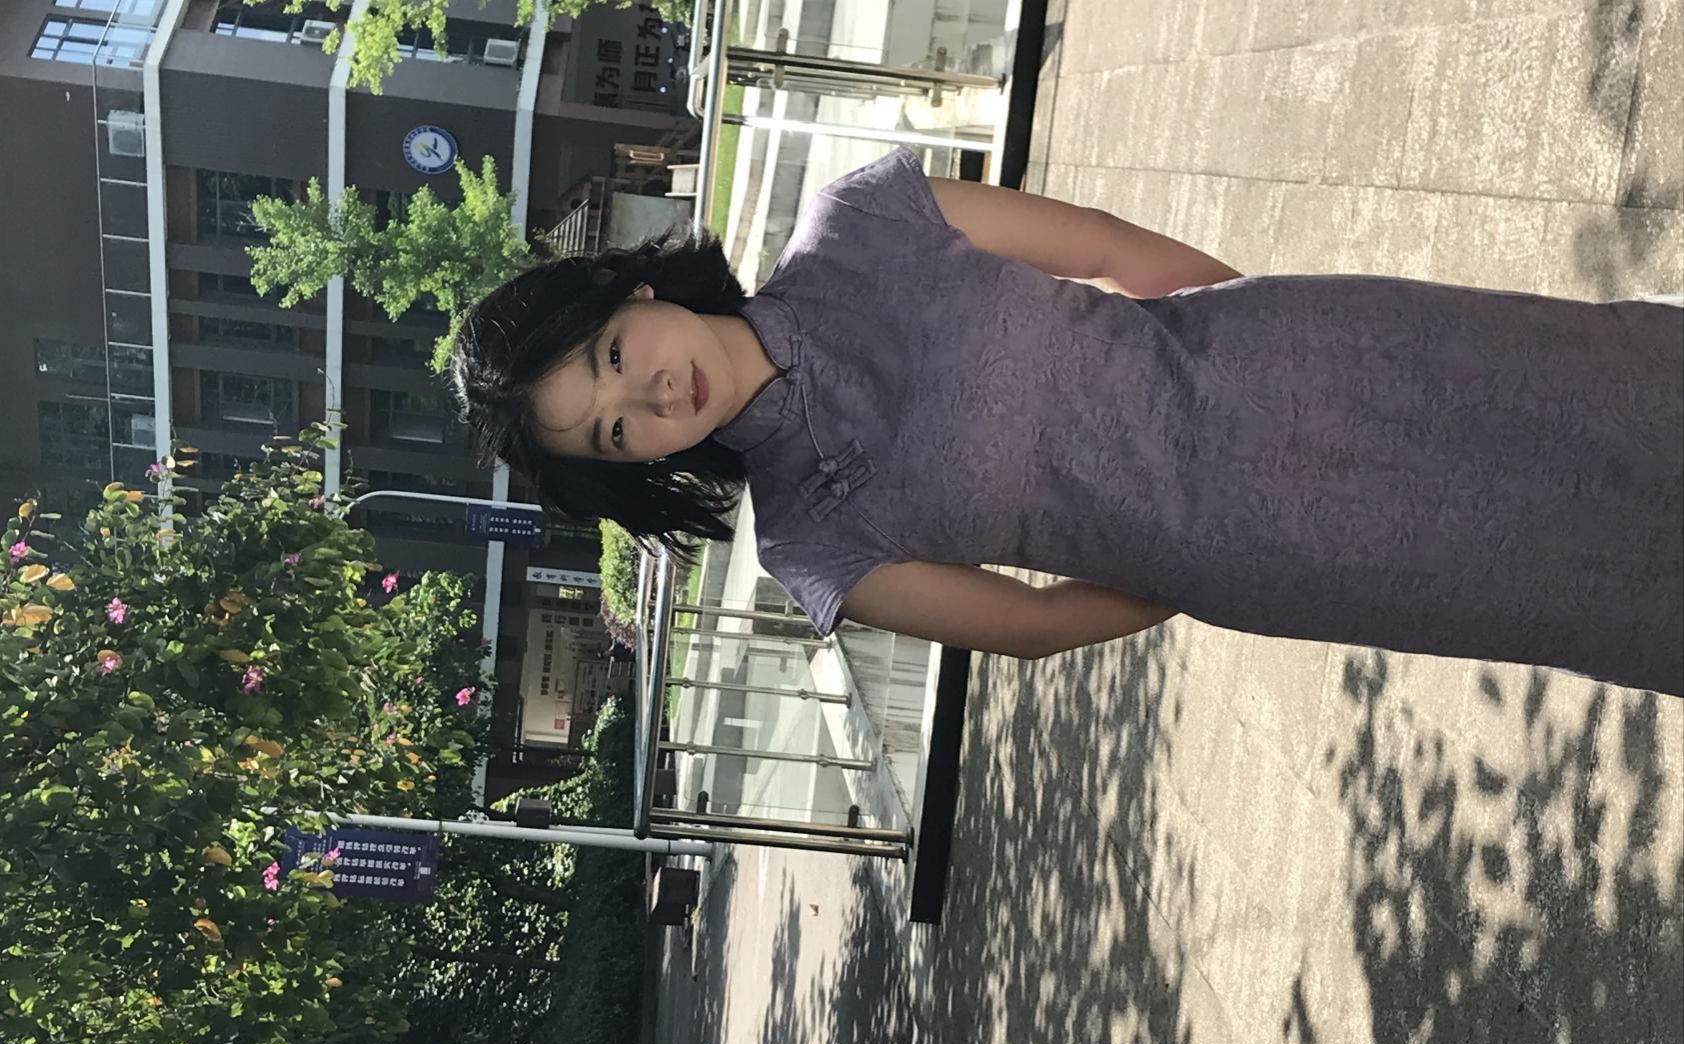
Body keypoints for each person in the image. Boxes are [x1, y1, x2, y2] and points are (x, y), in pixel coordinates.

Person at [453, 148, 1683, 697]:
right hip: (1295, 549)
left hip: (1304, 353)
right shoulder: (815, 540)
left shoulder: (863, 221)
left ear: (631, 293)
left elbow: (1106, 249)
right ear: (634, 468)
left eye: (613, 360)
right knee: (1556, 584)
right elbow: (1033, 628)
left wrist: (1264, 336)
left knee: (1585, 380)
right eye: (613, 434)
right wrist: (1203, 554)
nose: (648, 399)